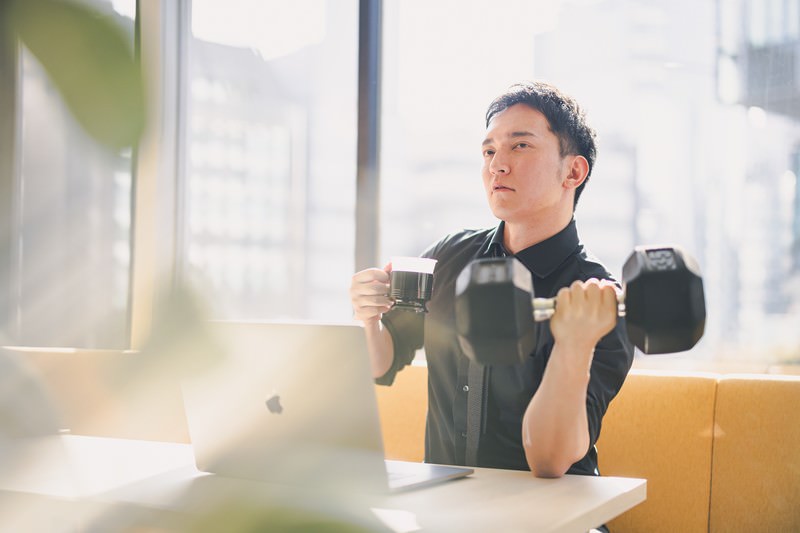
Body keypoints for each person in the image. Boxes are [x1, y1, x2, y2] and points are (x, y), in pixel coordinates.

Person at [350, 81, 634, 482]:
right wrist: (368, 318)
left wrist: (575, 342)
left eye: (520, 146)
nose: (497, 164)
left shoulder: (599, 301)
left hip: (553, 517)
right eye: (488, 150)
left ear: (573, 171)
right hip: (449, 509)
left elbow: (550, 462)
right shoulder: (447, 257)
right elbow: (381, 362)